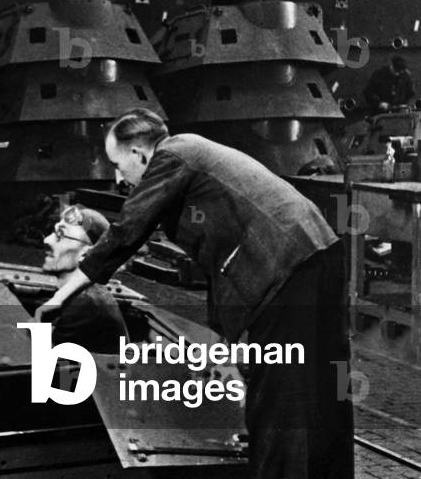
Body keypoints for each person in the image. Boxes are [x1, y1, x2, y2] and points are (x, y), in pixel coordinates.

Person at [37, 108, 353, 479]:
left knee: (278, 404)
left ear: (140, 153)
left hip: (283, 266)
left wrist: (59, 298)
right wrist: (224, 344)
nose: (119, 178)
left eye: (118, 165)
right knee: (328, 389)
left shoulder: (174, 154)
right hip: (317, 252)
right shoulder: (194, 159)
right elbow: (217, 266)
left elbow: (127, 231)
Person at [41, 205, 129, 354]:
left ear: (87, 253)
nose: (47, 241)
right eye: (53, 232)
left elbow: (51, 365)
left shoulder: (84, 303)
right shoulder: (84, 294)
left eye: (60, 235)